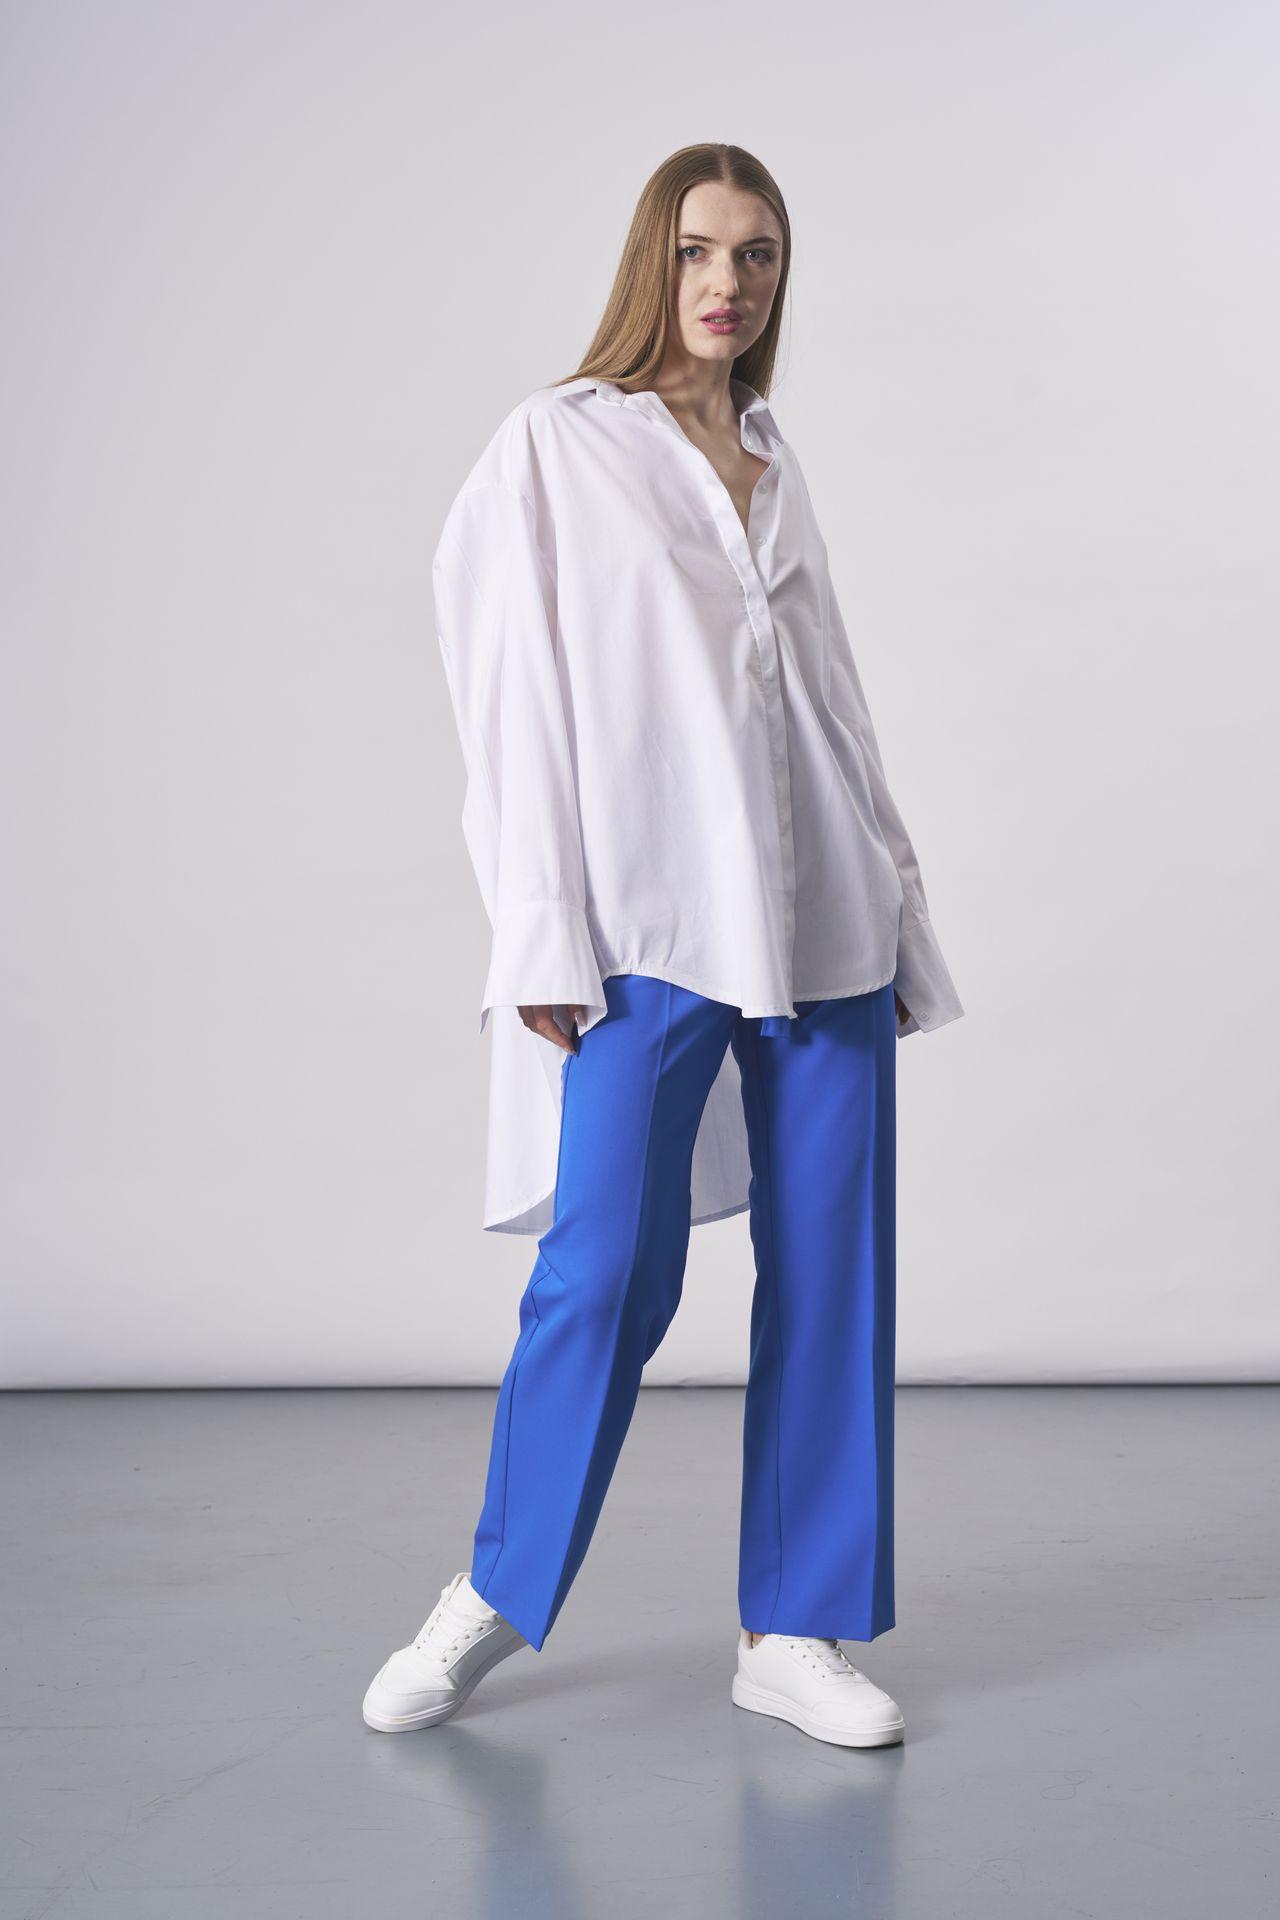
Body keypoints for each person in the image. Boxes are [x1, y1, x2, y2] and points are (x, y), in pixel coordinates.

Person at [363, 143, 964, 1750]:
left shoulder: (773, 452)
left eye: (758, 254)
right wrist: (539, 927)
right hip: (649, 920)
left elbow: (833, 702)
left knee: (834, 1272)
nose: (728, 282)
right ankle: (496, 1588)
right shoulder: (558, 446)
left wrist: (901, 908)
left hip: (825, 918)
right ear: (654, 261)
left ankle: (795, 1627)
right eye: (700, 249)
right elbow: (507, 696)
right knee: (605, 1268)